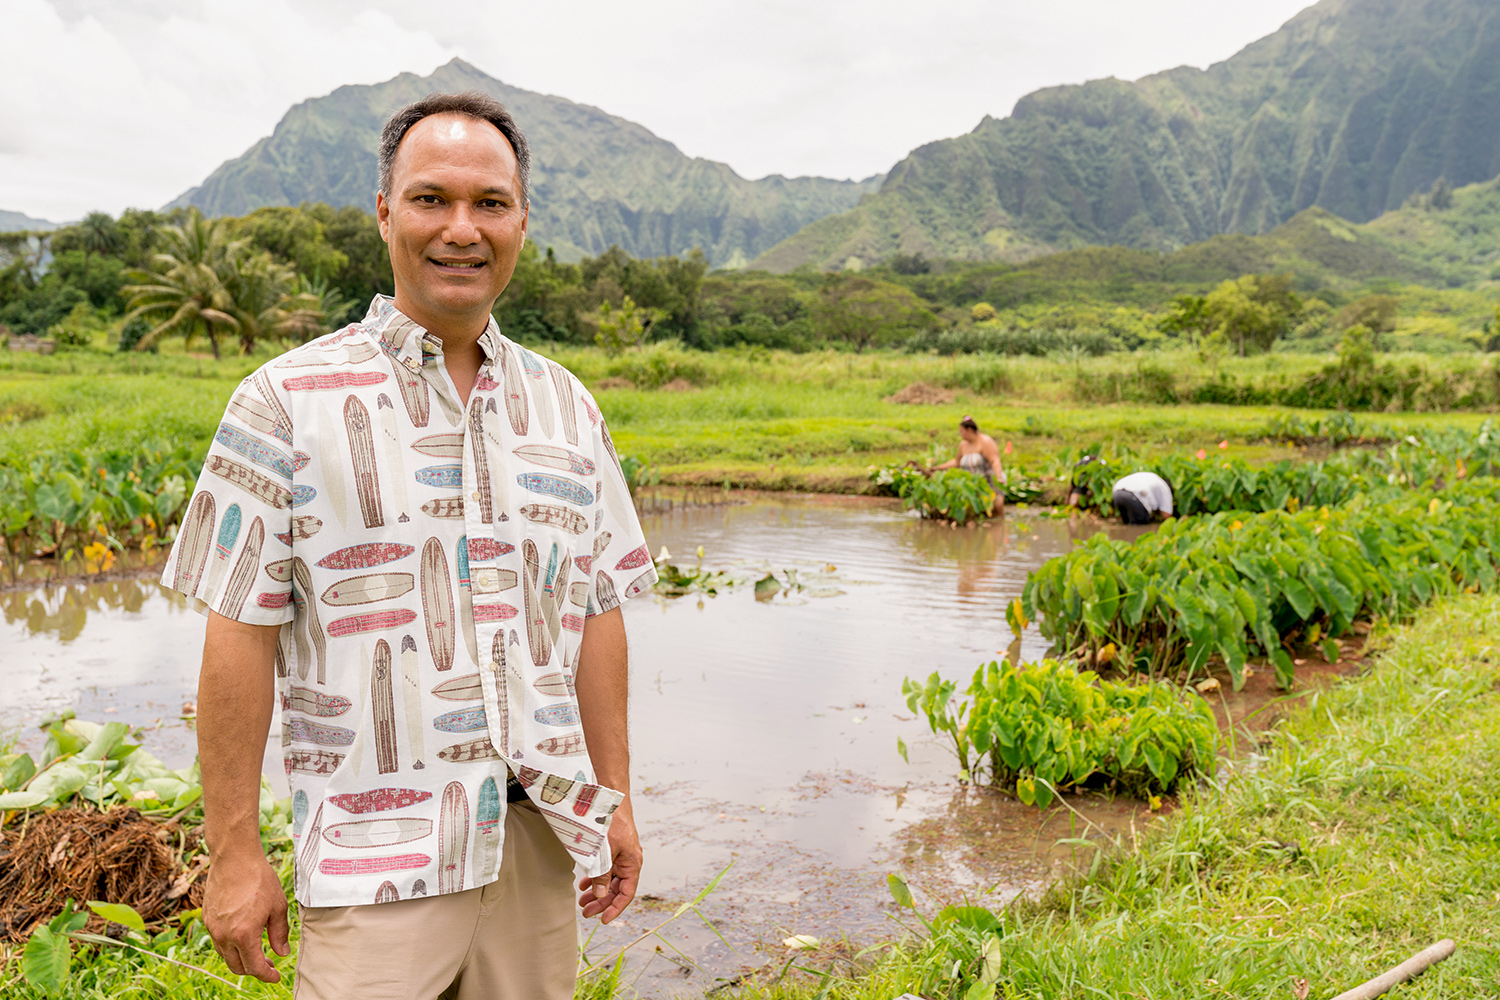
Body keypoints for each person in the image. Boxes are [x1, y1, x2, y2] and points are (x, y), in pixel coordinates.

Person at [159, 91, 657, 1000]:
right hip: (374, 863)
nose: (460, 229)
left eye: (489, 203)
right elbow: (238, 637)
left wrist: (612, 798)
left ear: (522, 221)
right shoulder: (283, 402)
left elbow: (596, 616)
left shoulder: (568, 409)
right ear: (385, 214)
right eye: (431, 199)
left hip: (539, 845)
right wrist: (232, 854)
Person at [928, 415, 1006, 515]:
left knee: (996, 508)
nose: (961, 435)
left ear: (969, 430)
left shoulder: (985, 442)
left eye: (962, 432)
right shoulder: (963, 445)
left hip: (989, 481)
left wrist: (999, 477)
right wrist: (938, 468)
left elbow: (995, 460)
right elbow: (957, 462)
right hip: (973, 484)